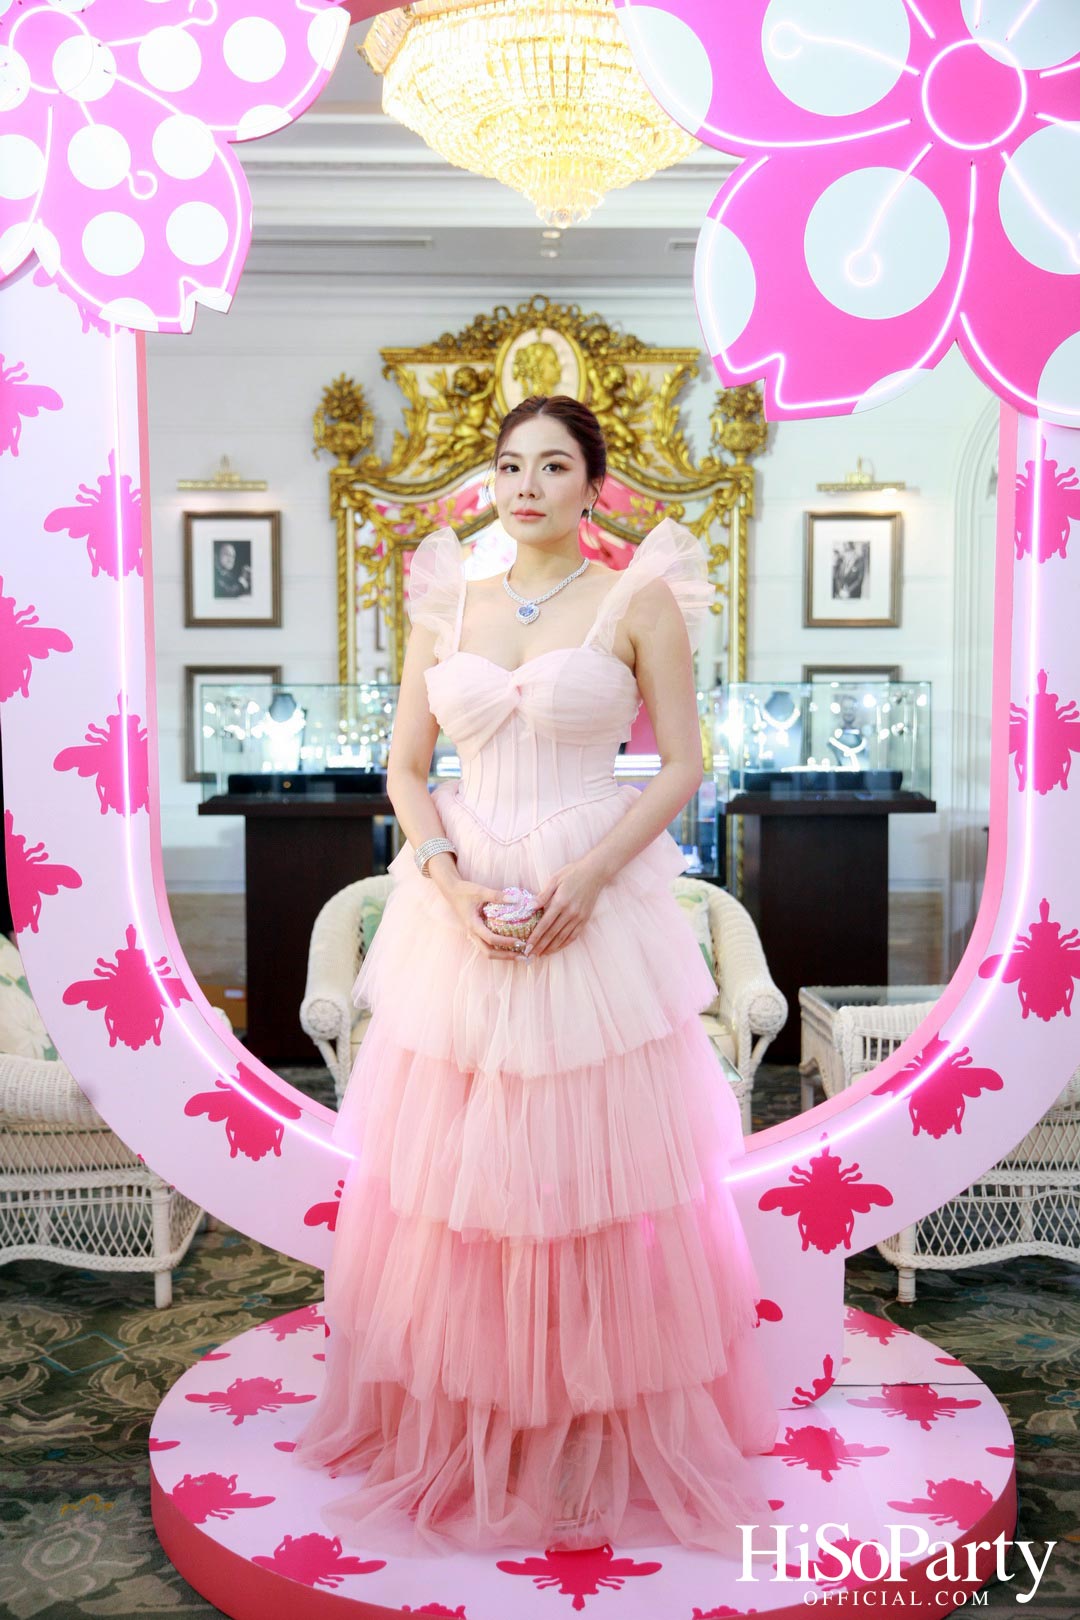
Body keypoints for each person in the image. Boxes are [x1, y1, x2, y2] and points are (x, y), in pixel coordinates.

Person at [292, 394, 779, 1557]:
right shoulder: (443, 596)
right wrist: (448, 884)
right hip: (460, 911)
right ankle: (471, 1425)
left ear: (593, 484)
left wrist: (598, 876)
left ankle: (587, 1432)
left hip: (591, 898)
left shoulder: (638, 594)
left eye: (554, 466)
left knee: (592, 1183)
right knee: (458, 1191)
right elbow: (407, 767)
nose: (527, 486)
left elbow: (682, 766)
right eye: (511, 465)